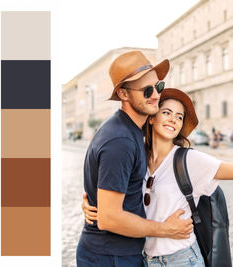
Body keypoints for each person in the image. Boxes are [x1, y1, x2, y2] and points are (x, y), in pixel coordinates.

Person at [82, 88, 233, 266]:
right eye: (167, 112)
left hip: (182, 260)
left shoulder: (190, 160)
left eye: (179, 117)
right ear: (152, 117)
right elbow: (112, 186)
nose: (173, 119)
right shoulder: (137, 157)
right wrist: (89, 202)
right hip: (145, 260)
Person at [76, 51, 194, 267]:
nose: (156, 96)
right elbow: (109, 218)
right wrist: (166, 229)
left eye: (158, 87)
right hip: (110, 257)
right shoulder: (120, 140)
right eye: (146, 90)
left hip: (118, 253)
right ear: (123, 94)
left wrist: (92, 201)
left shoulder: (129, 130)